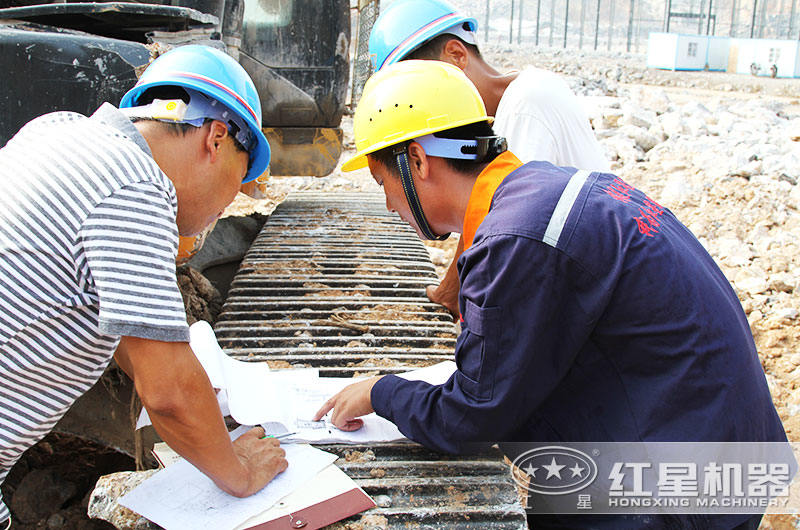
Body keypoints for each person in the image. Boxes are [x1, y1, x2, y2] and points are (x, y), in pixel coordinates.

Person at [314, 60, 788, 529]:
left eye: (383, 184)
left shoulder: (517, 237)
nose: (389, 205)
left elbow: (473, 416)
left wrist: (383, 392)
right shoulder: (547, 191)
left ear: (417, 160)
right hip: (730, 451)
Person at [0, 45, 287, 526]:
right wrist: (237, 469)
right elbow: (169, 393)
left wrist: (195, 388)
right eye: (239, 180)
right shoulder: (133, 185)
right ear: (217, 138)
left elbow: (95, 313)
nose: (225, 208)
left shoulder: (58, 132)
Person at [369, 0, 609, 317]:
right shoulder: (517, 99)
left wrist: (451, 293)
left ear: (456, 55)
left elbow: (504, 218)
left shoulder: (527, 103)